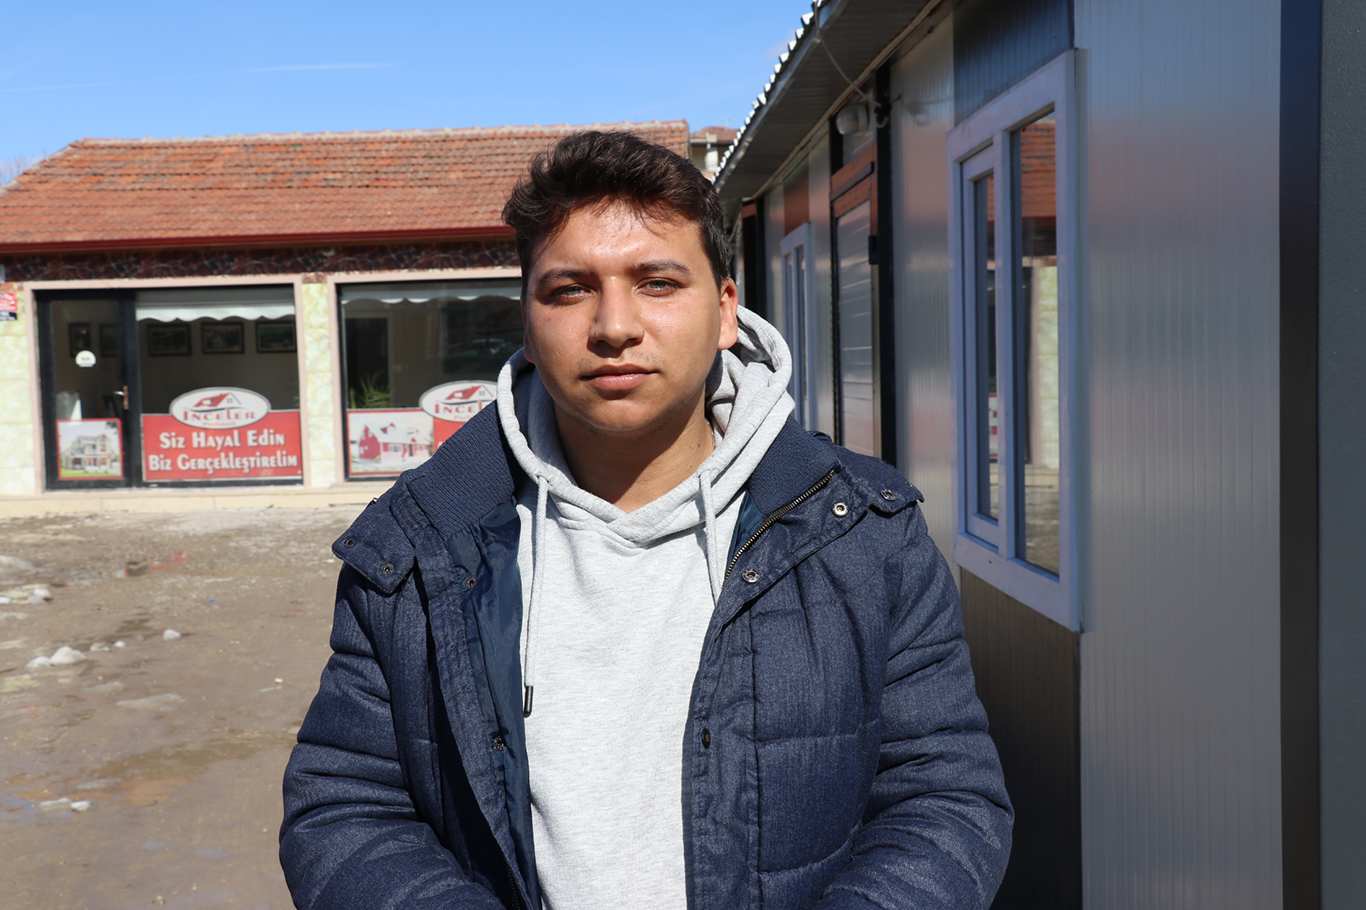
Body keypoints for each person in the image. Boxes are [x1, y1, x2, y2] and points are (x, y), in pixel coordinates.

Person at [280, 130, 1012, 910]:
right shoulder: (417, 543)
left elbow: (945, 798)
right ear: (527, 320)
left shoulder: (864, 530)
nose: (614, 325)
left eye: (657, 282)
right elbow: (344, 808)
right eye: (569, 290)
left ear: (725, 311)